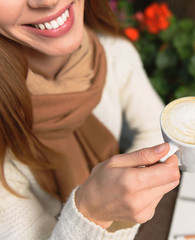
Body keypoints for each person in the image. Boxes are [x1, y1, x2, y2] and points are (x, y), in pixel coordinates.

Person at [0, 0, 180, 239]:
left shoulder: (113, 53)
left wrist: (124, 194)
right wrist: (93, 214)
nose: (48, 1)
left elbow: (157, 128)